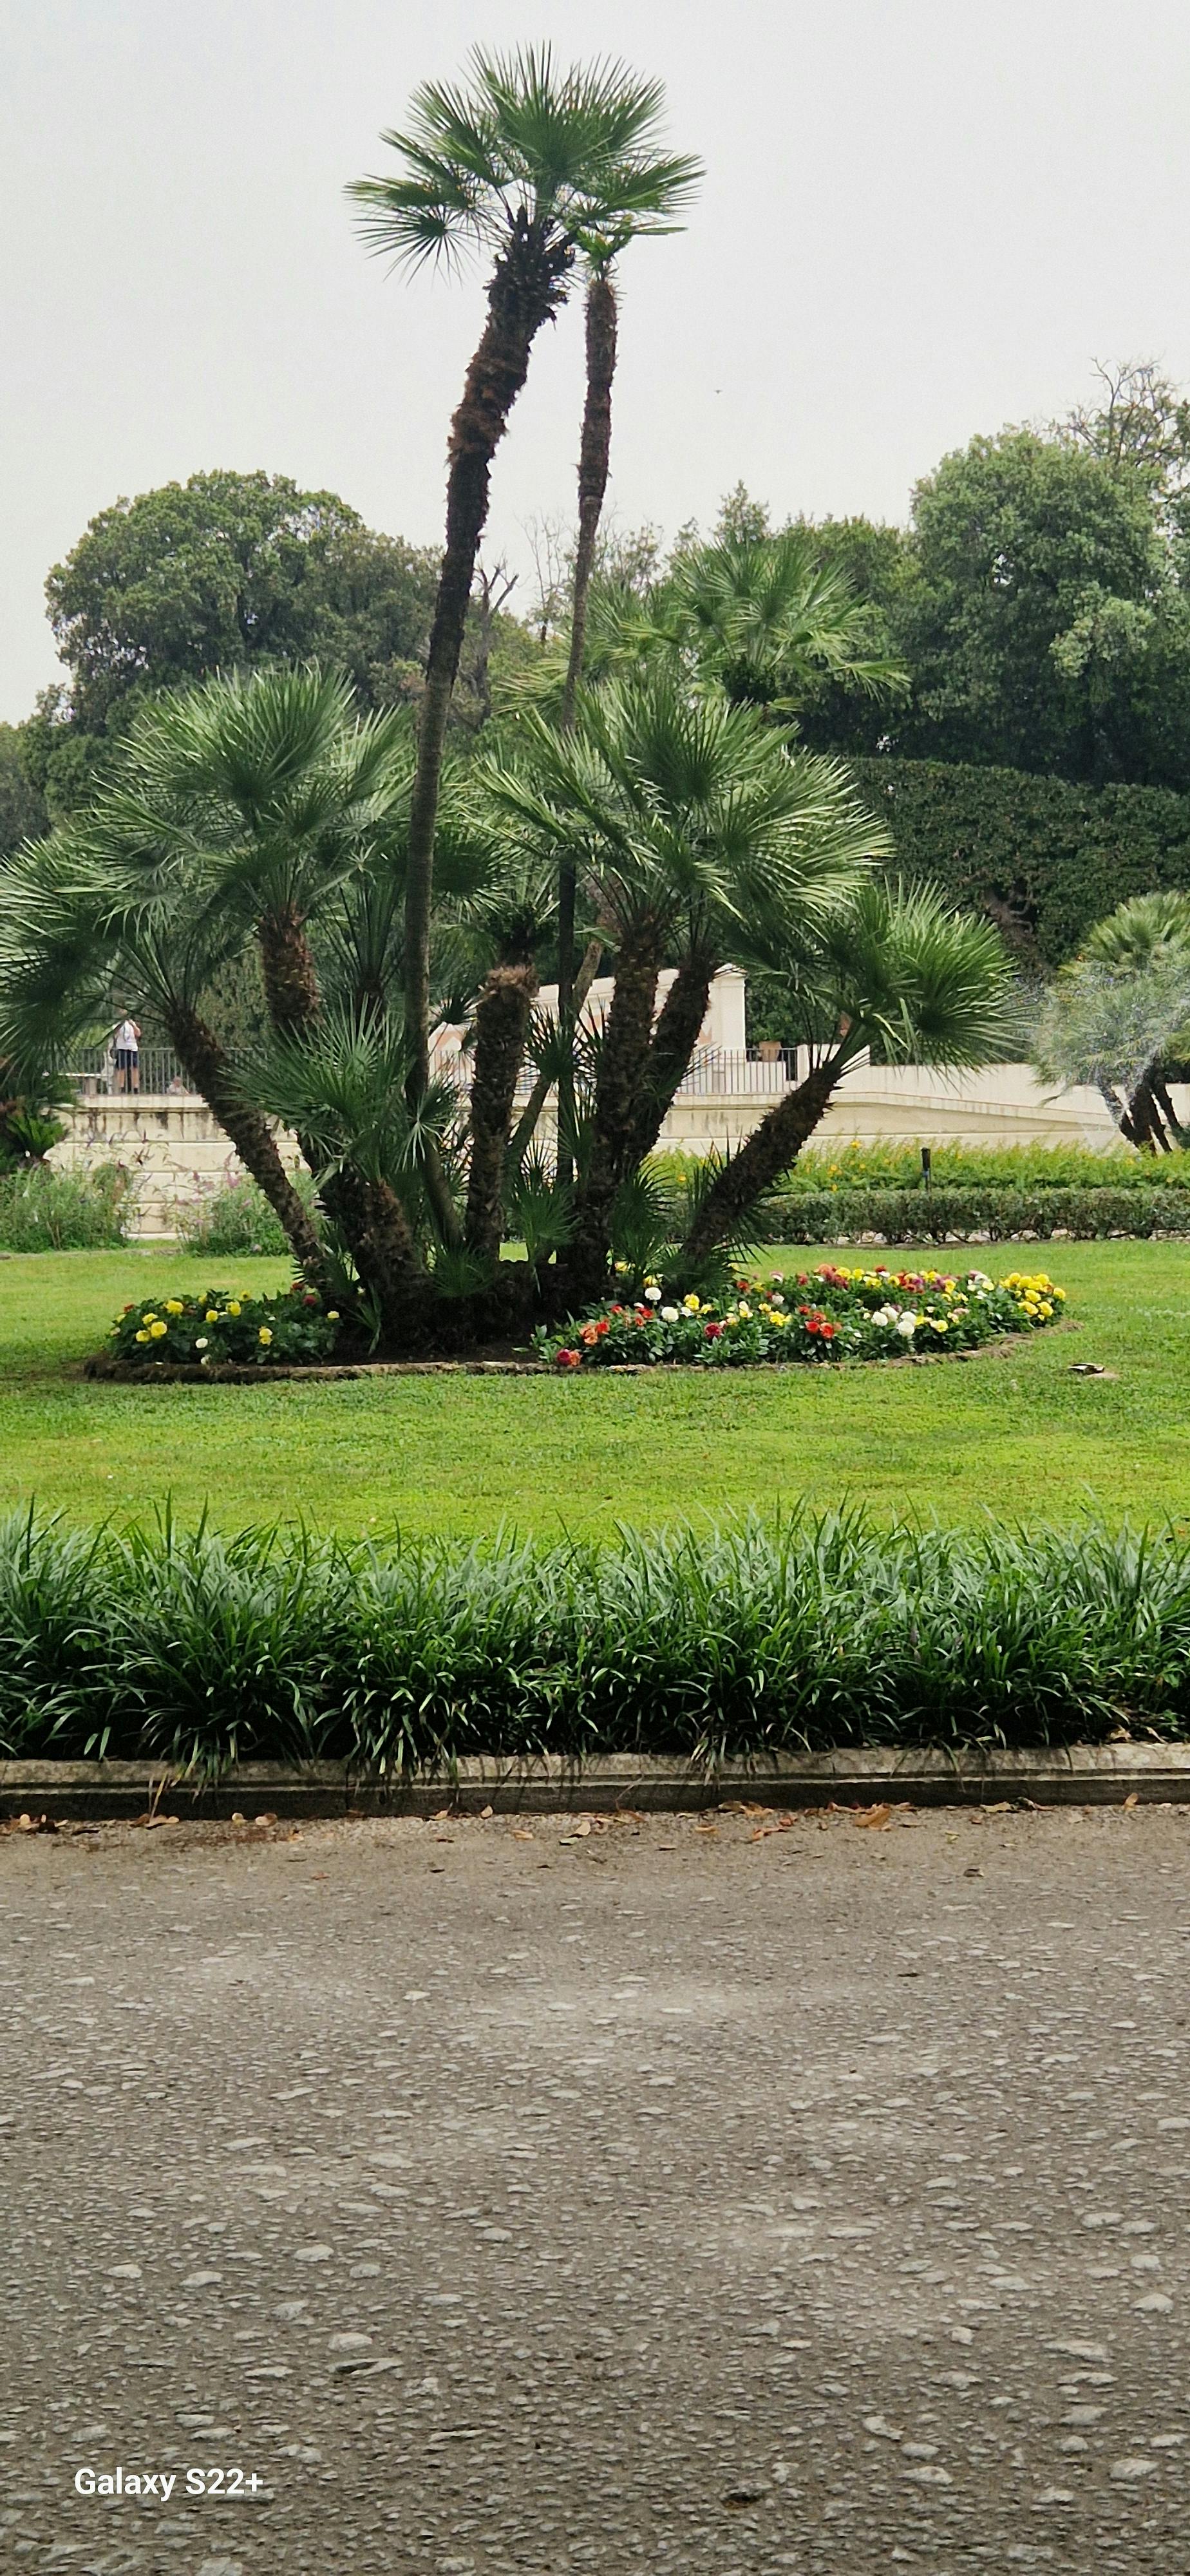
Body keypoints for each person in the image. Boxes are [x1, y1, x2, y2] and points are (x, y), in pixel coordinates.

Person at [113, 1015, 141, 1095]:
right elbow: (115, 1034)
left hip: (132, 1048)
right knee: (121, 1068)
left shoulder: (132, 1023)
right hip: (122, 1048)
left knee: (135, 1068)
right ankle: (121, 1087)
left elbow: (138, 1034)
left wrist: (133, 1025)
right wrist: (120, 1025)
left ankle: (136, 1087)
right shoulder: (118, 1024)